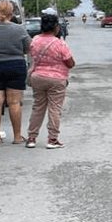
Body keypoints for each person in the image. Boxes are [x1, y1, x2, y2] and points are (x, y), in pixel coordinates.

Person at [0, 0, 31, 144]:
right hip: (15, 65)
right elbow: (28, 47)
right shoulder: (19, 29)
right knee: (14, 102)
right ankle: (16, 137)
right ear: (11, 13)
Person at [25, 13, 75, 150]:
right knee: (55, 109)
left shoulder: (35, 40)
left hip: (38, 77)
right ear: (56, 27)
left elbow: (32, 55)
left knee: (38, 107)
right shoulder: (60, 44)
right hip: (57, 80)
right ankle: (52, 139)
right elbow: (70, 62)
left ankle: (31, 138)